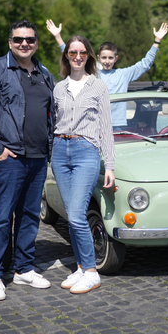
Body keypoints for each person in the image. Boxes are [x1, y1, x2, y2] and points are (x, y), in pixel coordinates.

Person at [0, 20, 56, 301]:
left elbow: (51, 114)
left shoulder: (44, 73)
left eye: (30, 39)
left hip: (37, 157)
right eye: (19, 39)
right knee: (1, 218)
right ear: (10, 42)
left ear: (36, 43)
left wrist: (50, 151)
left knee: (30, 216)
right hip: (9, 158)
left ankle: (23, 269)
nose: (24, 44)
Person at [51, 35, 115, 294]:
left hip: (86, 151)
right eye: (72, 52)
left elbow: (106, 128)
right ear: (66, 55)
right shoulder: (58, 88)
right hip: (59, 151)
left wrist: (109, 165)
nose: (77, 56)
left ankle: (90, 271)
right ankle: (80, 266)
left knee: (77, 215)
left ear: (89, 56)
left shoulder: (98, 86)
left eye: (82, 53)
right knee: (70, 215)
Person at [46, 19, 168, 127]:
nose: (107, 61)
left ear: (116, 59)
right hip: (96, 123)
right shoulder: (92, 74)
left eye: (110, 58)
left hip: (118, 125)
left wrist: (157, 40)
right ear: (99, 58)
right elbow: (73, 56)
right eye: (104, 58)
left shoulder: (123, 74)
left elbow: (144, 64)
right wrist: (58, 37)